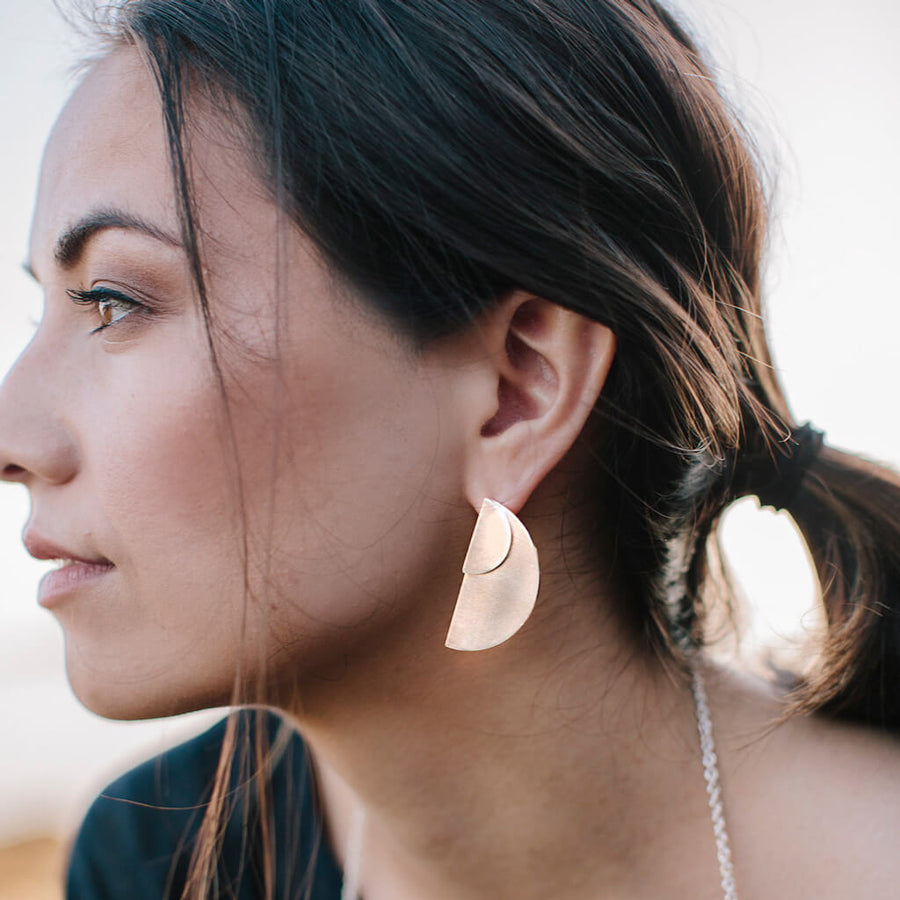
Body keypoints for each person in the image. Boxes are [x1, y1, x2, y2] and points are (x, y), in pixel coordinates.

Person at [0, 0, 898, 897]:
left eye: (114, 300)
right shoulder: (159, 860)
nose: (12, 437)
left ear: (517, 394)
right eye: (47, 307)